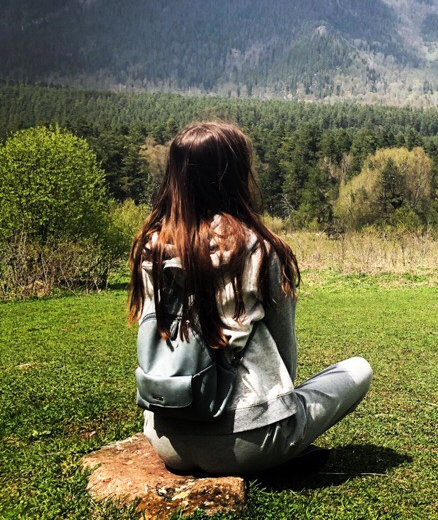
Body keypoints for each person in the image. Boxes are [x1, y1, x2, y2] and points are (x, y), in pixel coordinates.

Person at [128, 120, 371, 475]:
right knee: (358, 369)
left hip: (167, 439)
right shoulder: (259, 248)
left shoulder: (149, 248)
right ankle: (278, 455)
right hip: (251, 439)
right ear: (235, 174)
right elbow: (284, 348)